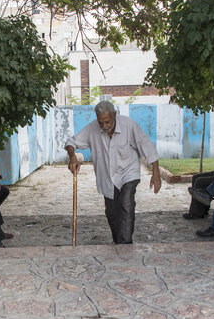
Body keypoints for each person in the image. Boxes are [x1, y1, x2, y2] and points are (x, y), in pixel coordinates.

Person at [65, 101, 162, 244]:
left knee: (126, 203)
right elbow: (71, 142)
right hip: (107, 176)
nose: (104, 126)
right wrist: (72, 156)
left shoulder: (129, 125)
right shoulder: (92, 128)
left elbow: (145, 144)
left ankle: (125, 244)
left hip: (129, 171)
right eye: (101, 122)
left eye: (107, 122)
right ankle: (119, 243)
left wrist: (156, 172)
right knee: (111, 213)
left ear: (115, 115)